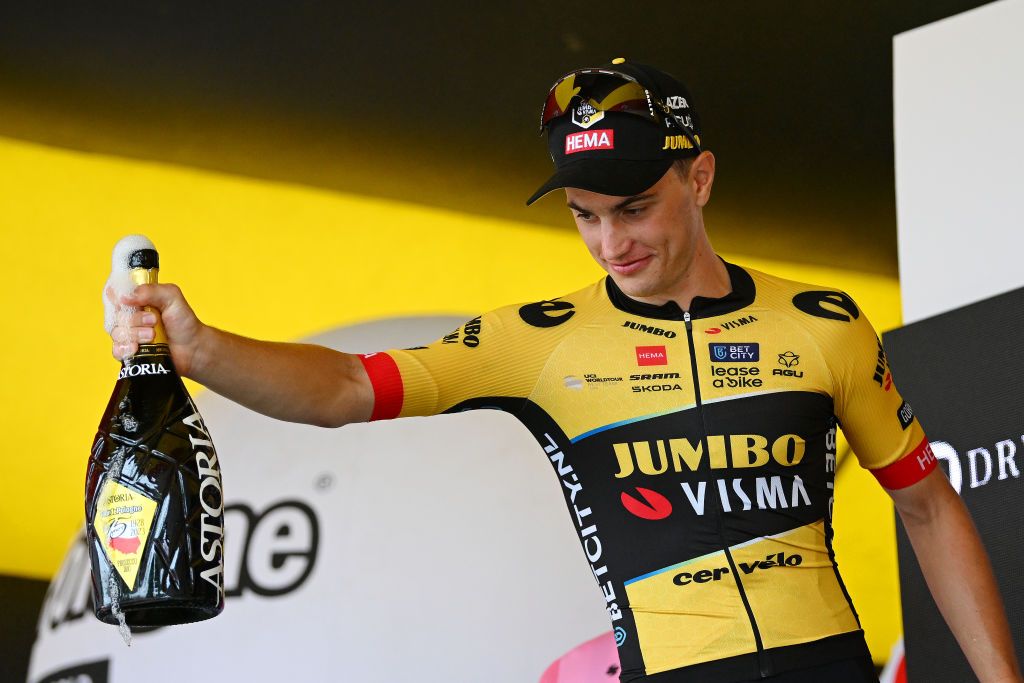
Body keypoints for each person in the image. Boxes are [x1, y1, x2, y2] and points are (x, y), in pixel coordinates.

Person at [108, 59, 1022, 683]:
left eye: (635, 207)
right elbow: (347, 388)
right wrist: (199, 348)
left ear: (699, 178)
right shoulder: (539, 339)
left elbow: (929, 505)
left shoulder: (823, 323)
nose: (611, 241)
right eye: (585, 215)